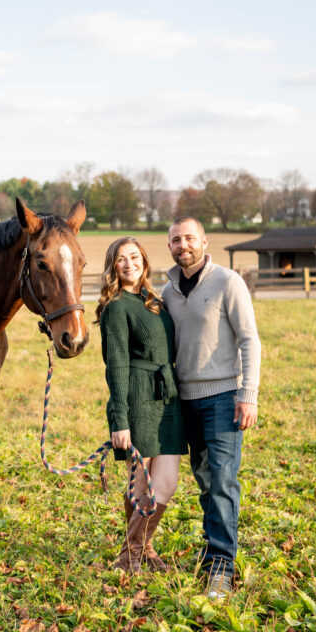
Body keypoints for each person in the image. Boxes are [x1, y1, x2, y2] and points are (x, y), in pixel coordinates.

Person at [161, 217, 261, 599]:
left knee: (222, 480)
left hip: (222, 398)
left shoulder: (227, 282)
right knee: (205, 481)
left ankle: (221, 566)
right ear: (169, 246)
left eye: (189, 238)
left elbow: (250, 340)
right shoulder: (168, 292)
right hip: (184, 400)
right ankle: (214, 550)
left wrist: (247, 393)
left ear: (204, 240)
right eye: (175, 240)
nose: (182, 245)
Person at [97, 237, 186, 573]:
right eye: (121, 259)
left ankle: (135, 551)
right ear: (113, 267)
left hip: (166, 395)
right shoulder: (117, 307)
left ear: (144, 261)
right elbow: (115, 366)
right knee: (142, 484)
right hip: (138, 395)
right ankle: (134, 555)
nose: (129, 264)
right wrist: (119, 420)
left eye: (134, 257)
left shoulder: (153, 301)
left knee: (166, 482)